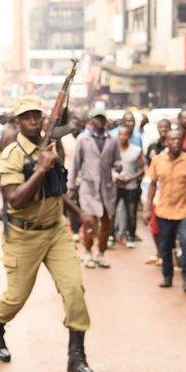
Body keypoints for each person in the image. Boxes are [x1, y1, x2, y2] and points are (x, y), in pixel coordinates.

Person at [0, 95, 93, 372]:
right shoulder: (12, 155)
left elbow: (57, 190)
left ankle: (76, 356)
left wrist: (80, 213)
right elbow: (15, 200)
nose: (33, 120)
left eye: (37, 115)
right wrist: (41, 169)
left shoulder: (52, 149)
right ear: (17, 121)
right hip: (23, 235)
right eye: (27, 116)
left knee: (74, 290)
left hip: (56, 231)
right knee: (17, 296)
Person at [146, 129, 186, 293]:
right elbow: (152, 185)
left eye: (178, 139)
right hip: (163, 211)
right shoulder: (157, 160)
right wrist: (147, 209)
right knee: (165, 246)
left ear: (182, 141)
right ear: (166, 142)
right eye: (172, 139)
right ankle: (167, 277)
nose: (175, 142)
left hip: (184, 211)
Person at [68, 107, 119, 268]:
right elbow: (75, 164)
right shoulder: (83, 139)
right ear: (91, 120)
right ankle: (88, 252)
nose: (100, 121)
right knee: (89, 222)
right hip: (88, 188)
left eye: (102, 118)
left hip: (107, 188)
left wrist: (118, 166)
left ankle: (101, 253)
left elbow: (117, 160)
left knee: (106, 223)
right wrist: (71, 186)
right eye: (97, 118)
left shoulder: (113, 139)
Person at [112, 125, 144, 249]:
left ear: (129, 136)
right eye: (120, 134)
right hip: (116, 185)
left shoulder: (135, 150)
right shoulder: (114, 150)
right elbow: (108, 166)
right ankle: (112, 235)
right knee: (112, 211)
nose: (122, 137)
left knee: (131, 212)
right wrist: (115, 176)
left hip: (131, 186)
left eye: (125, 134)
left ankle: (130, 236)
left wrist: (132, 177)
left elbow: (142, 169)